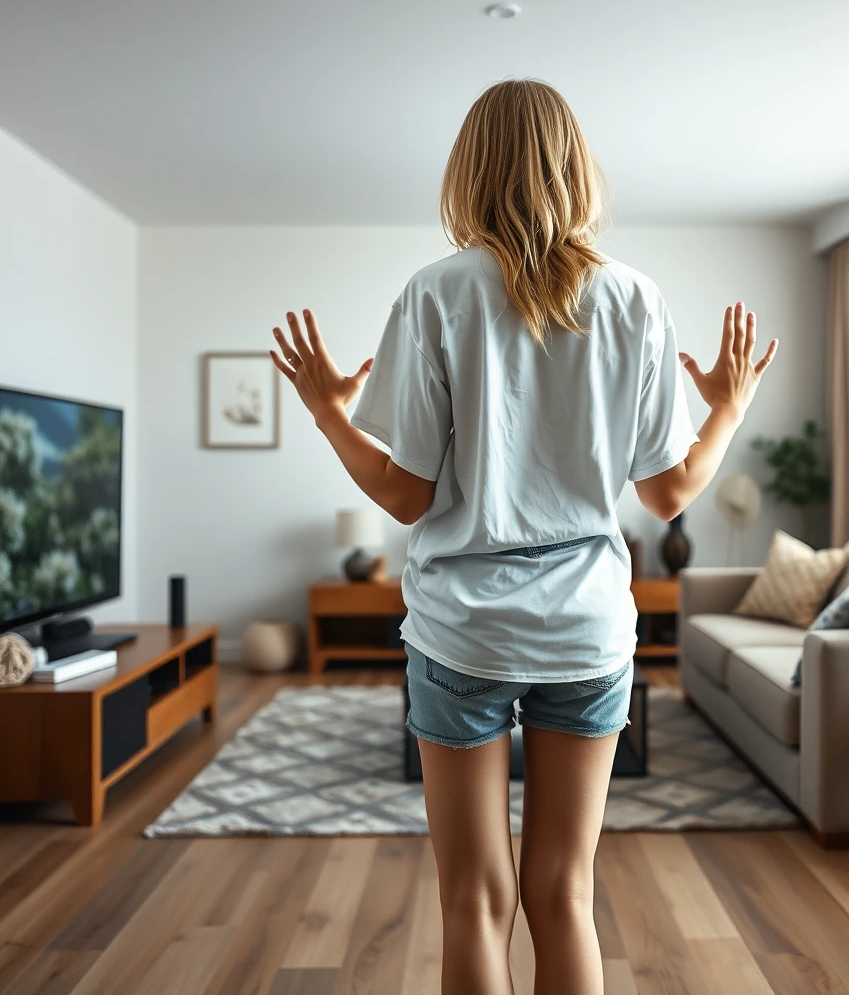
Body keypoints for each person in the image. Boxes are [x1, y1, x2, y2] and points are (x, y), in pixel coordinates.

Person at [270, 78, 777, 995]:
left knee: (472, 899)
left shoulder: (436, 292)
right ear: (576, 169)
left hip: (462, 631)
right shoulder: (635, 299)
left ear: (468, 173)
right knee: (565, 894)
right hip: (587, 632)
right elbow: (668, 495)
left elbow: (407, 496)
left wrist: (328, 415)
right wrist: (729, 410)